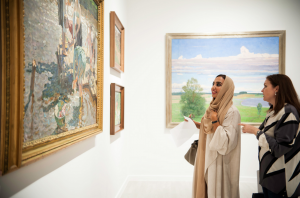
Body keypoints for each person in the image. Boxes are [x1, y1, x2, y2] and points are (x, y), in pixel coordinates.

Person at [239, 74, 300, 198]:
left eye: (265, 86)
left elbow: (280, 149)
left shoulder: (288, 112)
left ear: (276, 89)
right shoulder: (273, 112)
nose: (262, 90)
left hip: (280, 180)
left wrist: (256, 131)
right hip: (269, 176)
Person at [185, 74, 241, 198]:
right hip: (207, 156)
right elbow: (209, 130)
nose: (213, 87)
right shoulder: (213, 108)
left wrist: (215, 120)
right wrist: (196, 124)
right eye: (213, 83)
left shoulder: (232, 112)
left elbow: (225, 143)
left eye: (218, 84)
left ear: (227, 89)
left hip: (219, 162)